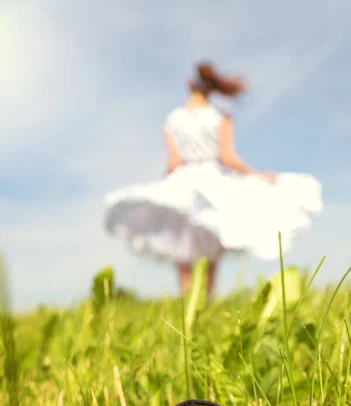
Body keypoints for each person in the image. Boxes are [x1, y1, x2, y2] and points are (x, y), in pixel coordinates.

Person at [105, 62, 322, 296]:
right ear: (212, 89)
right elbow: (227, 157)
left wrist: (166, 187)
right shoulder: (220, 117)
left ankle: (188, 305)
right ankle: (205, 303)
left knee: (184, 251)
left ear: (190, 85)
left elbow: (174, 163)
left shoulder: (173, 120)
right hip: (212, 181)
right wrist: (258, 175)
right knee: (210, 248)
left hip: (183, 182)